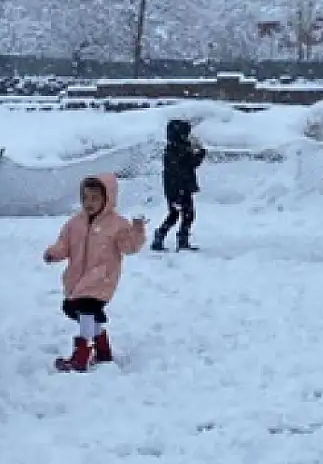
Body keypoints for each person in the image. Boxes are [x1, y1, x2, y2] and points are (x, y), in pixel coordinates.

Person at [43, 175, 147, 372]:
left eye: (94, 198)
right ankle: (102, 349)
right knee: (79, 311)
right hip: (77, 278)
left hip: (102, 278)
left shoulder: (117, 224)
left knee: (86, 310)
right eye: (85, 198)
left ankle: (80, 357)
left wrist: (137, 230)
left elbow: (129, 246)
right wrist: (53, 253)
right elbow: (63, 244)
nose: (89, 203)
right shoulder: (74, 223)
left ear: (107, 198)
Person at [153, 118, 206, 252]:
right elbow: (190, 164)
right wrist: (200, 153)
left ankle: (162, 237)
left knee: (177, 214)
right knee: (184, 214)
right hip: (179, 188)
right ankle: (176, 239)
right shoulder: (177, 149)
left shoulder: (176, 148)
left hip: (177, 187)